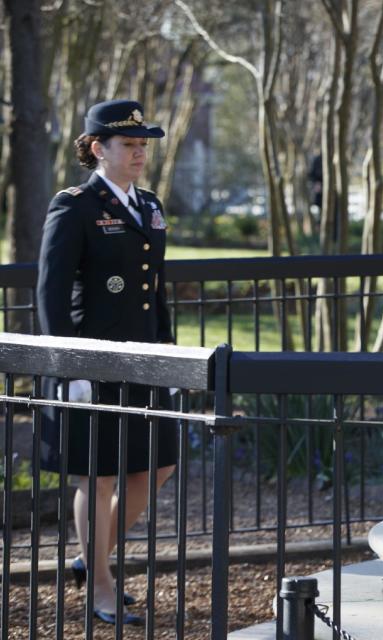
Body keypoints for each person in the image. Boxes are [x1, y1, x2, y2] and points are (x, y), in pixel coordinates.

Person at [36, 99, 176, 625]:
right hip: (90, 363)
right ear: (98, 148)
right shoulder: (73, 205)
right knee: (96, 478)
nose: (140, 154)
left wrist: (169, 356)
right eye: (129, 145)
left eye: (143, 146)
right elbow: (50, 294)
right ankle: (99, 585)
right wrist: (69, 367)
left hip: (143, 361)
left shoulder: (148, 204)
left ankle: (88, 558)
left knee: (158, 464)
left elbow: (153, 289)